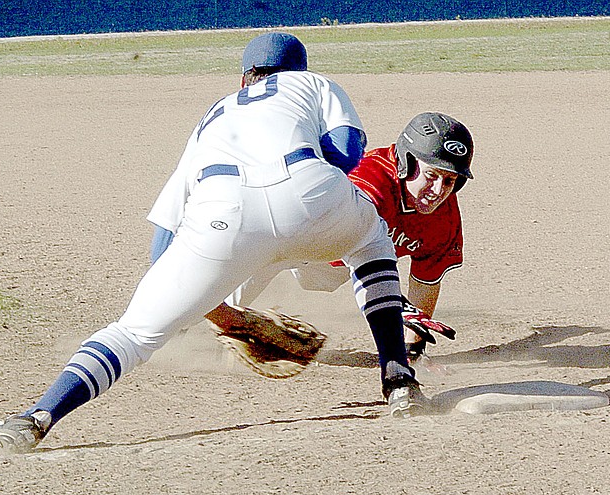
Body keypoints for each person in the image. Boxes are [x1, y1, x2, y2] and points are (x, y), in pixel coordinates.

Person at [0, 32, 428, 455]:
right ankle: (398, 378)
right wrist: (305, 205)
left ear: (245, 77)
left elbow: (164, 238)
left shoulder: (214, 115)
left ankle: (34, 420)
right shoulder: (313, 85)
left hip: (221, 216)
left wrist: (214, 309)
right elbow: (348, 150)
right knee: (370, 241)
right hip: (308, 191)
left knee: (133, 333)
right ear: (300, 70)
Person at [158, 112, 475, 362]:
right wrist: (396, 303)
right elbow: (354, 248)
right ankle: (175, 329)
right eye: (431, 175)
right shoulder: (372, 181)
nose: (439, 191)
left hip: (333, 267)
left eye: (450, 181)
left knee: (317, 274)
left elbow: (426, 280)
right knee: (244, 279)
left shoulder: (444, 218)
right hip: (294, 235)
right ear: (406, 163)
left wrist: (412, 352)